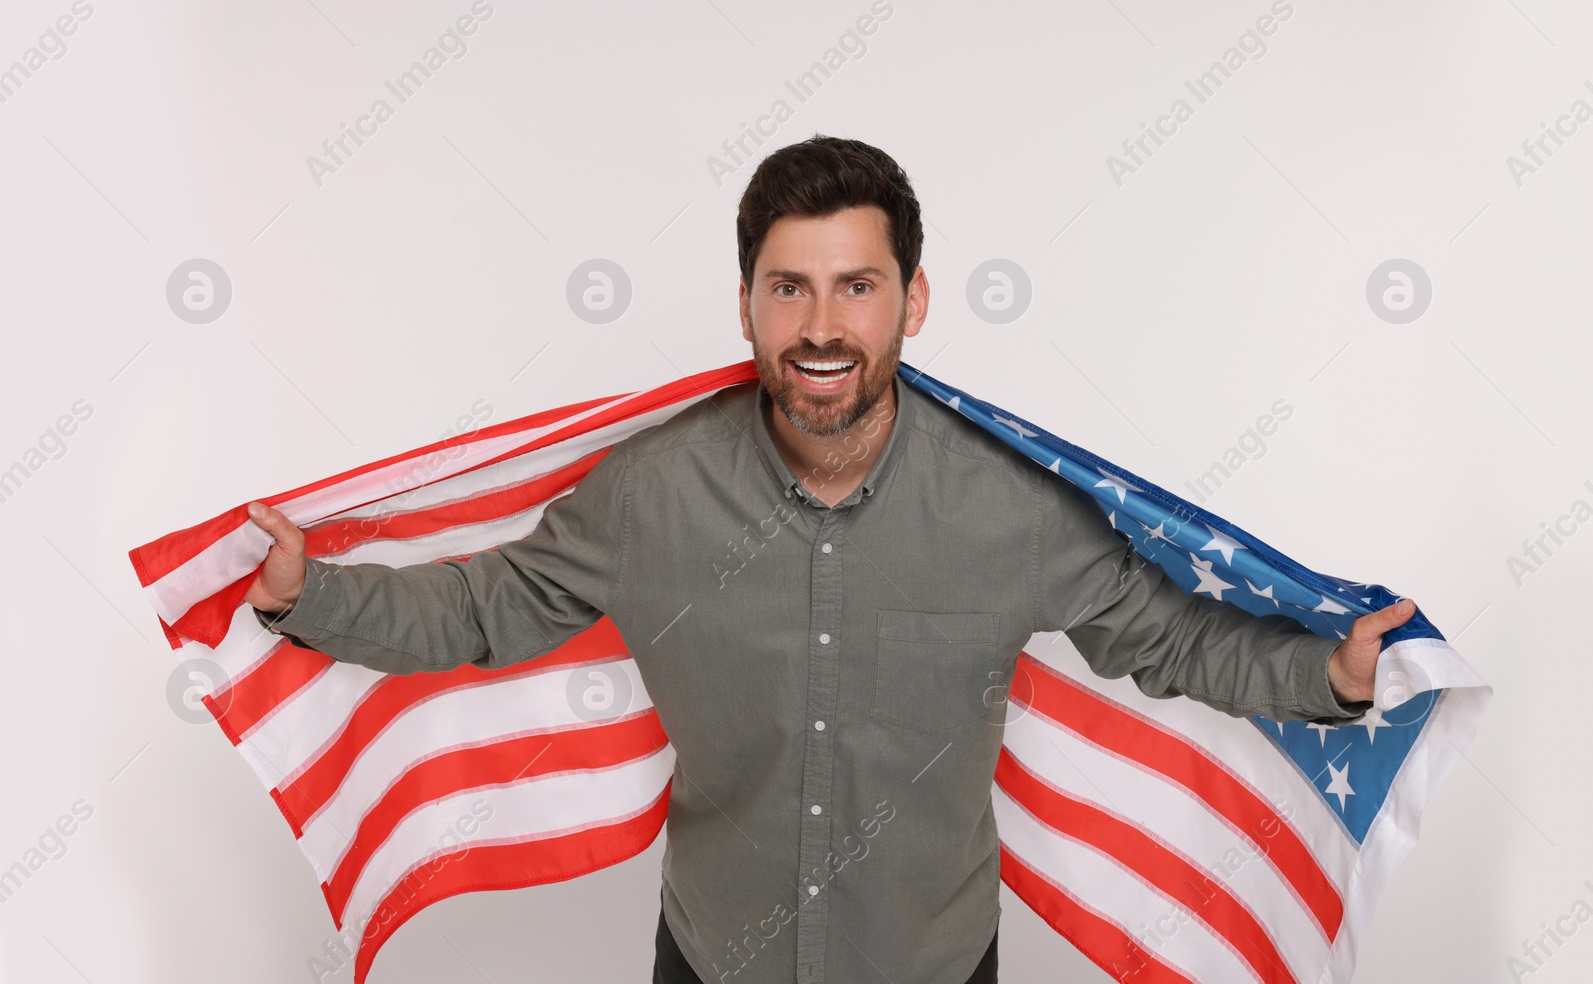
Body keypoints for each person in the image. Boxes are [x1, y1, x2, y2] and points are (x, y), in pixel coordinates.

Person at [243, 134, 1408, 984]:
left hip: (935, 963)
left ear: (912, 302)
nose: (820, 325)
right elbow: (488, 606)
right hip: (711, 958)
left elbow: (1166, 638)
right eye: (788, 287)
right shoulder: (652, 494)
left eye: (857, 286)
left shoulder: (1013, 507)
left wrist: (1331, 678)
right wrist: (313, 595)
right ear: (745, 305)